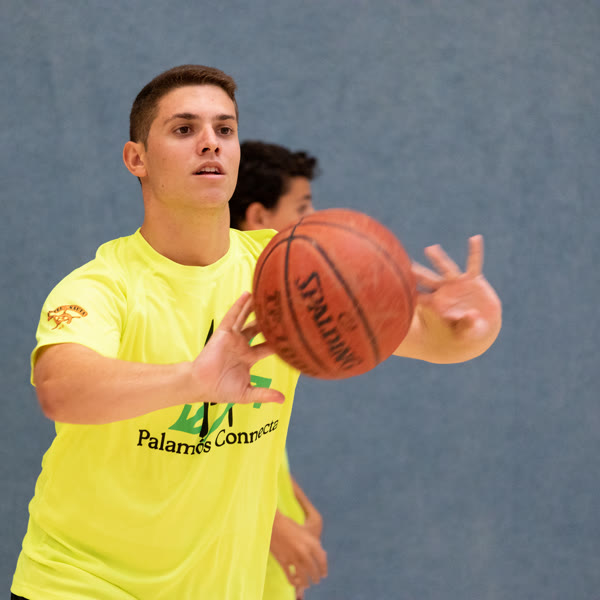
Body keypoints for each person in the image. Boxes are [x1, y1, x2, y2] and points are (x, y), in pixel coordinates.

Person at [11, 64, 502, 600]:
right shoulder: (103, 285)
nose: (210, 143)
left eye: (224, 129)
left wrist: (474, 325)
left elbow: (436, 340)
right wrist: (192, 380)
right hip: (82, 584)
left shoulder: (285, 270)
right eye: (184, 129)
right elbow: (61, 389)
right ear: (137, 159)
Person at [230, 140, 325, 600]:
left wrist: (296, 505)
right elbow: (181, 446)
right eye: (302, 208)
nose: (314, 219)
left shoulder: (282, 304)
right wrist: (271, 525)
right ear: (259, 218)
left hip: (270, 533)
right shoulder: (224, 314)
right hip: (229, 543)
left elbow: (252, 442)